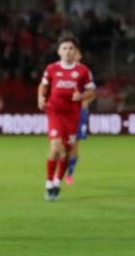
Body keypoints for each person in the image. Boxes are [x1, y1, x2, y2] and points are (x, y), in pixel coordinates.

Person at [37, 35, 94, 201]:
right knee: (56, 147)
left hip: (72, 115)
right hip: (55, 111)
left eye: (71, 48)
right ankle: (49, 183)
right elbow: (43, 85)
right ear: (59, 51)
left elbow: (92, 91)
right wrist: (41, 97)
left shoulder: (83, 71)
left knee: (68, 152)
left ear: (75, 51)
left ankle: (57, 181)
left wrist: (82, 95)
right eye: (65, 48)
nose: (68, 51)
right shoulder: (52, 69)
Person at [63, 47, 95, 185]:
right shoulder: (61, 71)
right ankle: (60, 171)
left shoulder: (85, 72)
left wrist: (84, 101)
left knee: (74, 146)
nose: (74, 54)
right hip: (65, 112)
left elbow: (92, 92)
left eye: (76, 51)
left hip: (80, 113)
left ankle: (69, 174)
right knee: (63, 145)